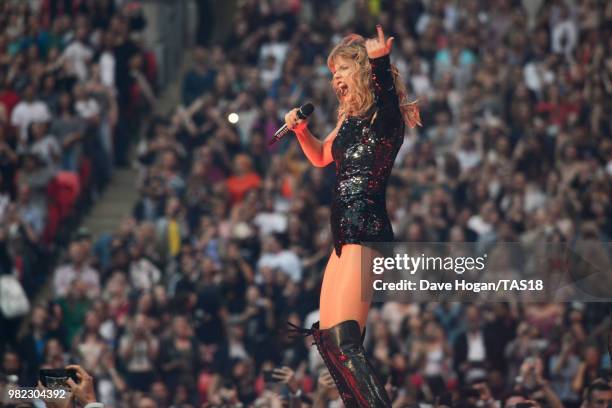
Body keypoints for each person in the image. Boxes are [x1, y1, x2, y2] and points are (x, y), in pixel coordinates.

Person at [284, 25, 421, 407]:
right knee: (330, 340)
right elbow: (321, 157)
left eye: (341, 70)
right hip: (343, 234)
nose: (336, 80)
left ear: (360, 70)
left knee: (345, 341)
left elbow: (390, 100)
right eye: (332, 74)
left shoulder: (384, 117)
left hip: (365, 228)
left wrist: (379, 58)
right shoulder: (348, 121)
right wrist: (301, 131)